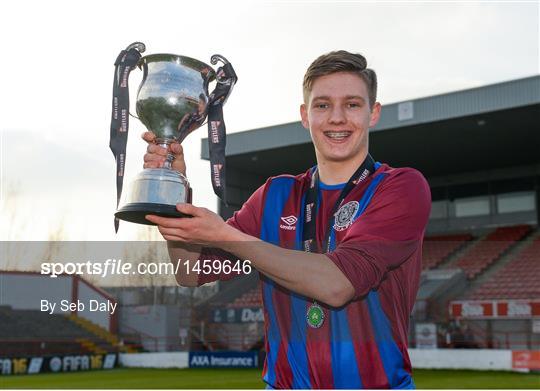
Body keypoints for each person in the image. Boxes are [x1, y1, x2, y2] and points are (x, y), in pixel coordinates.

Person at [142, 50, 431, 389]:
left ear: (373, 114)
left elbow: (338, 285)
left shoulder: (401, 187)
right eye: (322, 105)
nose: (337, 118)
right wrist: (175, 194)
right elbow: (191, 272)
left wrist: (226, 235)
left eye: (352, 104)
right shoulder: (274, 196)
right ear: (305, 115)